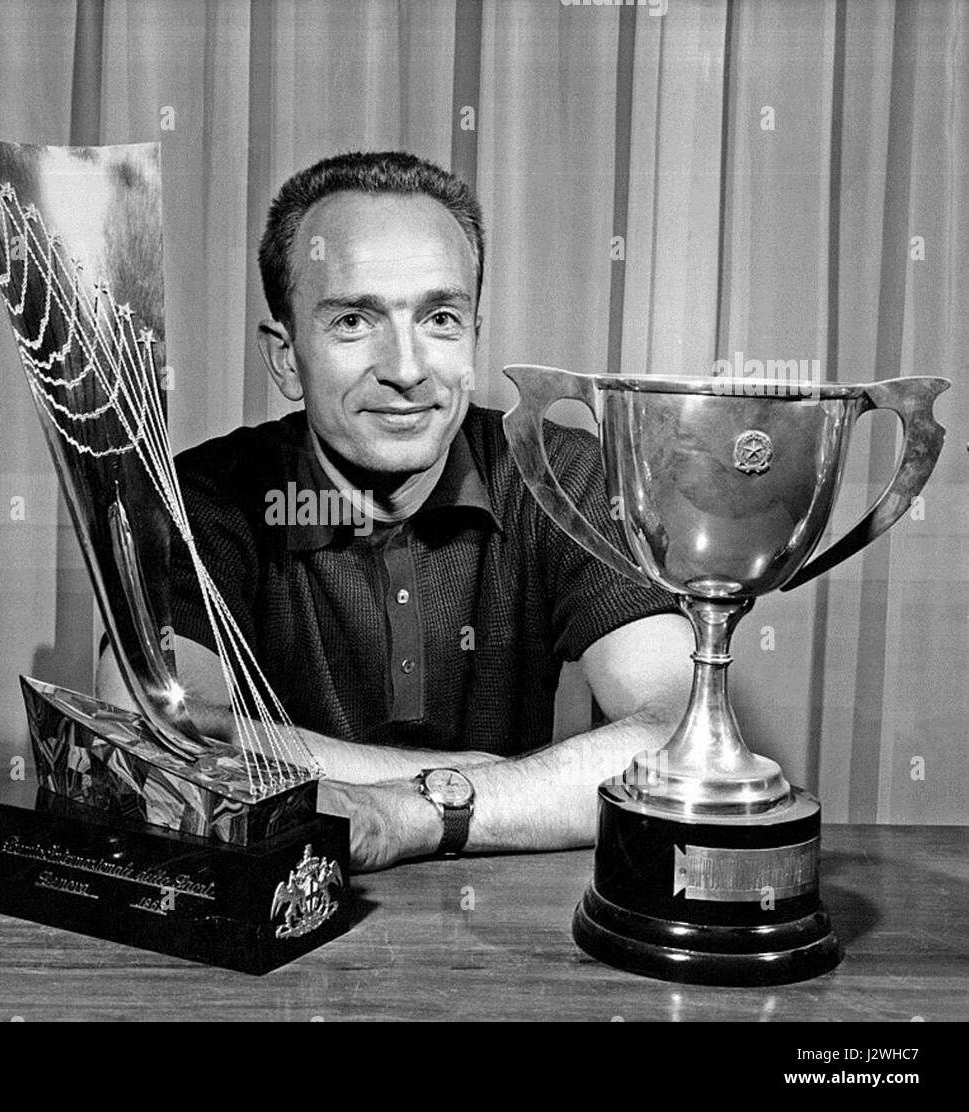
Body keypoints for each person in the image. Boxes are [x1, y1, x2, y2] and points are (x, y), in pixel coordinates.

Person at [99, 151, 693, 870]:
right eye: (354, 320)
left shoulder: (559, 472)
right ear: (287, 358)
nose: (407, 370)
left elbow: (681, 739)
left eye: (441, 318)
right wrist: (485, 783)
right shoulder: (206, 496)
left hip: (509, 937)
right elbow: (149, 729)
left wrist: (412, 812)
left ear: (474, 334)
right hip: (281, 936)